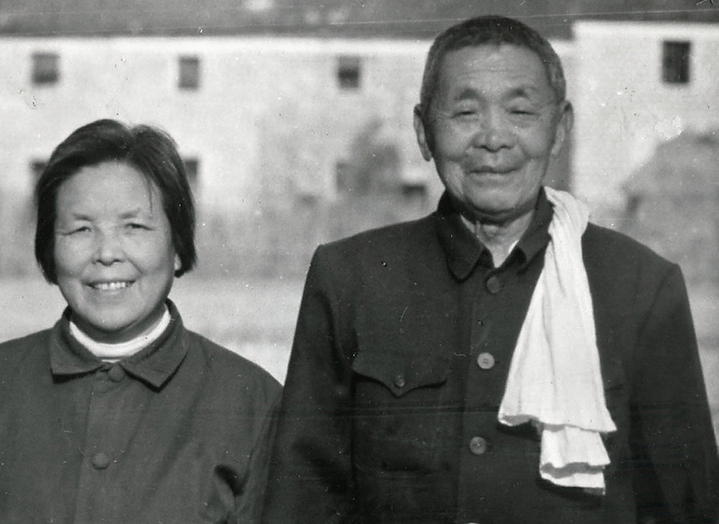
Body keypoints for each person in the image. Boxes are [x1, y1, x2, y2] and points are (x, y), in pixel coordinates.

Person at [263, 15, 719, 523]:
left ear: (560, 129)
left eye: (520, 111)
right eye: (465, 113)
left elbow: (687, 507)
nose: (494, 138)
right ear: (424, 132)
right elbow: (301, 500)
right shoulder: (351, 277)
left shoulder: (640, 288)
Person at [0, 119, 281, 523]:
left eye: (134, 227)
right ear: (49, 249)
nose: (107, 253)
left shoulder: (254, 404)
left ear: (178, 246)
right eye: (81, 229)